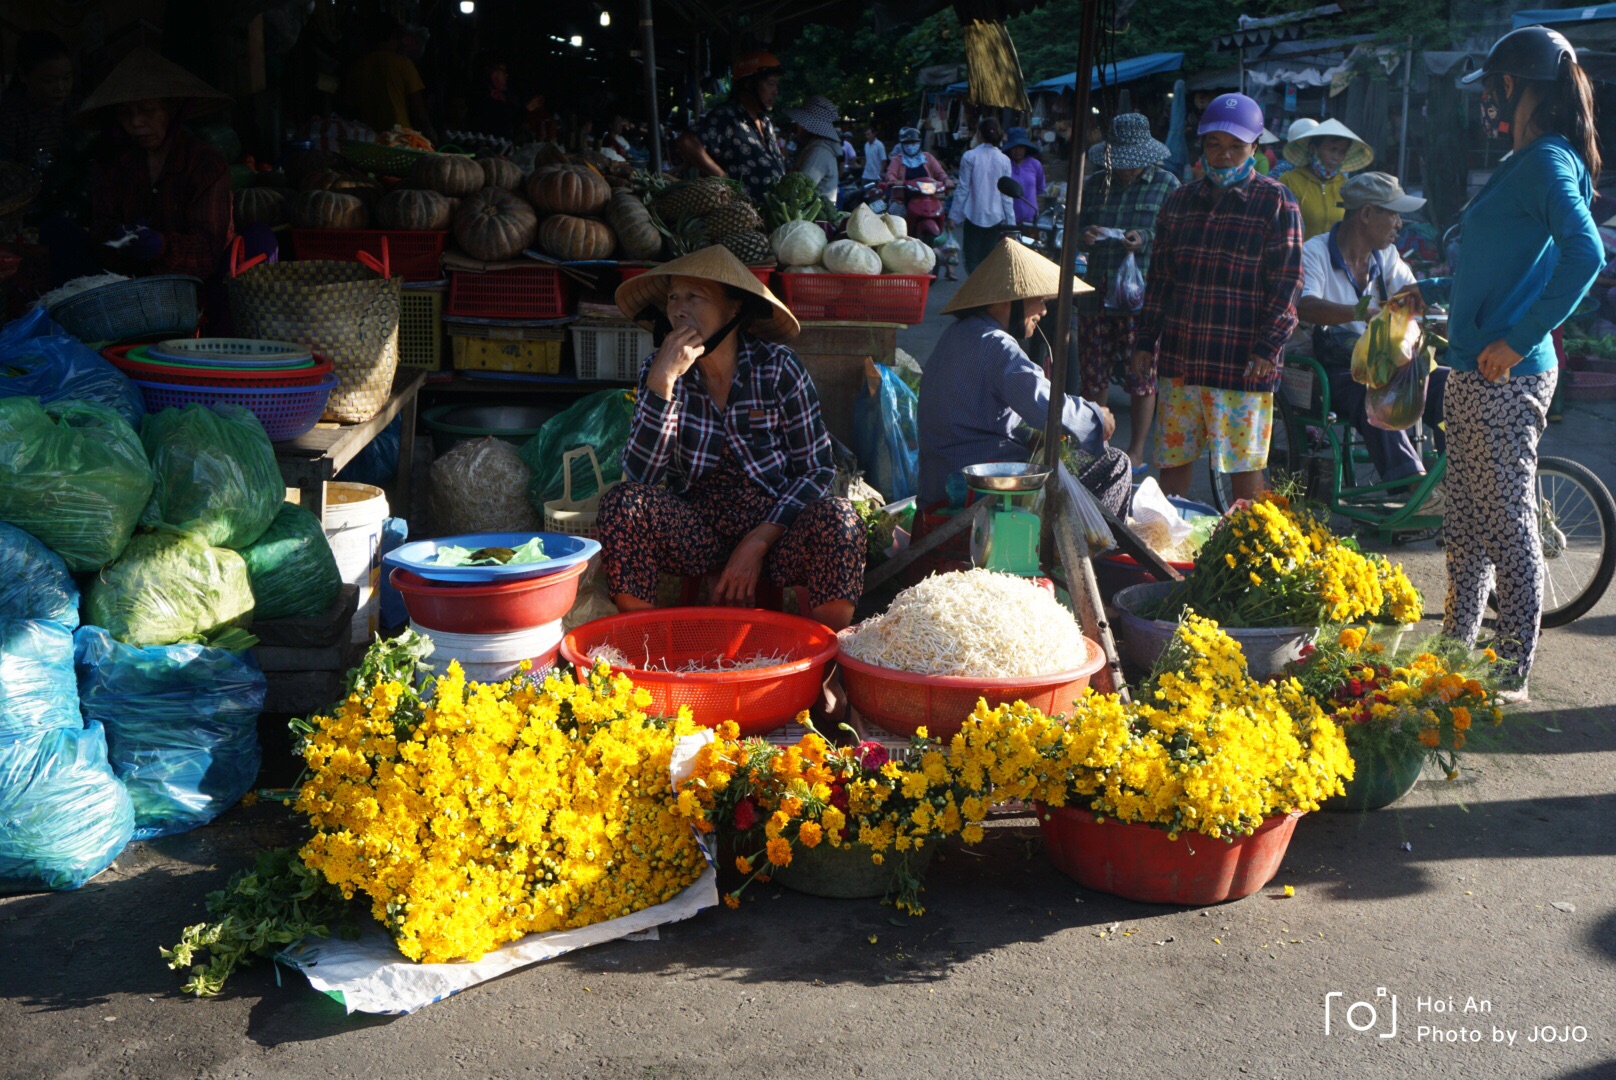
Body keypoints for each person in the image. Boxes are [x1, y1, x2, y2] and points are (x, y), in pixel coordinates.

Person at [1415, 25, 1604, 697]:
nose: (1489, 104)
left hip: (1506, 374)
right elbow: (1506, 267)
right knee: (1463, 518)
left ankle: (1509, 666)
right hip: (1471, 369)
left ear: (1515, 86)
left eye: (1494, 89)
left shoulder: (1548, 160)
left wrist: (1519, 339)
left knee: (1506, 518)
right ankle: (1455, 648)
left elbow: (1587, 255)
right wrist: (1428, 293)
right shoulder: (1526, 163)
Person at [599, 246, 865, 631]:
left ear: (734, 310)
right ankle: (648, 645)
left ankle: (827, 661)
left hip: (774, 533)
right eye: (674, 297)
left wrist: (756, 542)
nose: (678, 309)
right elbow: (641, 475)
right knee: (622, 504)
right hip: (696, 533)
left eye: (695, 296)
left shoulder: (778, 368)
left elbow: (817, 471)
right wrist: (663, 382)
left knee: (839, 518)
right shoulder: (658, 371)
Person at [1133, 92, 1305, 504]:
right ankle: (1169, 544)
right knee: (1173, 460)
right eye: (1215, 145)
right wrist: (1143, 341)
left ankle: (1244, 551)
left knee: (1245, 466)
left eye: (1236, 147)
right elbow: (1159, 279)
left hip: (1244, 362)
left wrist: (1268, 345)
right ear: (1202, 145)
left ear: (1254, 148)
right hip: (1180, 358)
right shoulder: (1179, 201)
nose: (1224, 155)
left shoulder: (1276, 201)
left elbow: (1289, 281)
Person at [917, 238, 1131, 518]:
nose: (1043, 310)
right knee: (1115, 463)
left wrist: (1031, 438)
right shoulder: (995, 344)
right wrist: (1097, 418)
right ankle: (1076, 556)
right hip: (974, 484)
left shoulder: (959, 334)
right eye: (1039, 299)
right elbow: (1046, 408)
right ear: (1011, 300)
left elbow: (985, 415)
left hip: (945, 477)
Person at [1297, 172, 1444, 483]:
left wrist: (1436, 312)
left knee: (1452, 385)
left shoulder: (1386, 255)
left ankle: (1456, 475)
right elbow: (1305, 306)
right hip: (1335, 368)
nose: (1399, 225)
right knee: (1378, 392)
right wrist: (1363, 311)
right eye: (1393, 215)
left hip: (1384, 362)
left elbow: (1413, 294)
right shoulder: (1315, 251)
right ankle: (1408, 483)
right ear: (1366, 214)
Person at [1075, 113, 1180, 471]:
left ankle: (1136, 453)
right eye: (1119, 163)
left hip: (1141, 300)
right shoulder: (1094, 184)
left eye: (1131, 164)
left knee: (1141, 377)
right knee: (1093, 373)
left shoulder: (1167, 185)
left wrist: (1145, 238)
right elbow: (1075, 230)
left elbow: (1177, 237)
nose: (1124, 171)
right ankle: (1094, 449)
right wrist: (1085, 235)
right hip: (1095, 292)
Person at [79, 48, 234, 281]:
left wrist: (162, 246)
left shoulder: (205, 165)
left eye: (147, 110)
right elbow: (100, 234)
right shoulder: (113, 164)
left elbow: (208, 251)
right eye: (125, 113)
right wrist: (116, 239)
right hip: (123, 282)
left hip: (188, 288)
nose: (136, 123)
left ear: (172, 110)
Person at [675, 50, 787, 204]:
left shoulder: (766, 123)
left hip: (769, 217)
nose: (776, 91)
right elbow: (687, 142)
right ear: (749, 84)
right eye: (770, 84)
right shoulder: (727, 115)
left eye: (777, 85)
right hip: (739, 218)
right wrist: (723, 179)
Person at [343, 14, 437, 143]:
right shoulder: (403, 64)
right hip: (399, 140)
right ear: (395, 36)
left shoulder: (358, 65)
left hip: (368, 140)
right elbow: (419, 112)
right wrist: (432, 137)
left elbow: (351, 107)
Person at [1277, 118, 1373, 239]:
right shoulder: (1288, 181)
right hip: (1298, 255)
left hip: (1334, 257)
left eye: (1342, 152)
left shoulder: (1347, 187)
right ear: (1313, 149)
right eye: (1332, 150)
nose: (1336, 157)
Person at [0, 31, 75, 168]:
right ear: (23, 75)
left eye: (67, 78)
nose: (61, 88)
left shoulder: (73, 107)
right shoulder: (9, 117)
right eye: (49, 81)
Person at [950, 118, 1015, 273]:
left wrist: (953, 216)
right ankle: (981, 292)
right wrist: (1011, 224)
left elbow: (963, 189)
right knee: (987, 260)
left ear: (979, 134)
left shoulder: (970, 156)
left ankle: (973, 291)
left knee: (971, 259)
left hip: (974, 215)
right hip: (995, 217)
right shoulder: (1005, 160)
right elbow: (1007, 196)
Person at [785, 95, 842, 208]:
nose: (798, 128)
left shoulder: (819, 152)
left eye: (800, 124)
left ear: (809, 127)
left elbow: (800, 191)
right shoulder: (817, 148)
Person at [1003, 126, 1044, 228]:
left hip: (1030, 220)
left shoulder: (1035, 165)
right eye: (1014, 147)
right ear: (1009, 148)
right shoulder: (1004, 164)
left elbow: (1040, 190)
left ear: (1026, 148)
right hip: (1007, 219)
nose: (1017, 150)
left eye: (1020, 147)